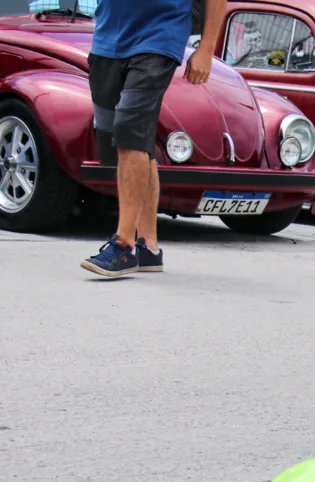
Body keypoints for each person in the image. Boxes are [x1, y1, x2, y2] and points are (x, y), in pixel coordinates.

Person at [79, 0, 226, 278]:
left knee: (129, 131)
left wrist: (206, 48)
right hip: (108, 39)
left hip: (159, 38)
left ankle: (124, 244)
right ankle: (148, 246)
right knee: (126, 138)